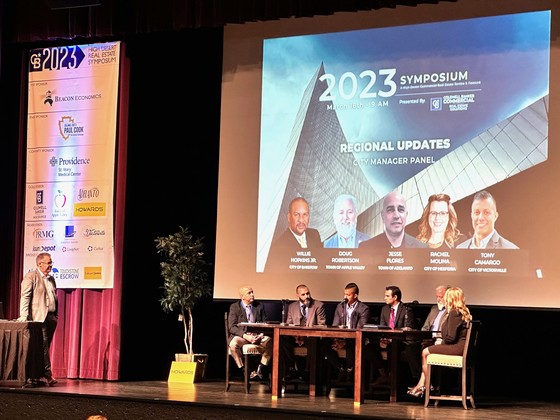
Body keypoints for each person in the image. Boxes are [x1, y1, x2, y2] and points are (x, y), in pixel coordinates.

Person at [407, 286, 472, 398]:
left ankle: (428, 385)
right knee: (426, 352)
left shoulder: (454, 313)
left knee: (425, 352)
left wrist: (442, 341)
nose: (443, 300)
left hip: (456, 347)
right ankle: (423, 384)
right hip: (459, 346)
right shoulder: (460, 311)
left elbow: (450, 338)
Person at [17, 252, 58, 387]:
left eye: (51, 262)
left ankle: (39, 375)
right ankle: (47, 375)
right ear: (40, 264)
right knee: (43, 346)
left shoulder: (51, 279)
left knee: (44, 347)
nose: (51, 265)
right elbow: (25, 297)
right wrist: (24, 315)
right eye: (49, 262)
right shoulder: (31, 277)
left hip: (51, 318)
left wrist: (55, 316)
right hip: (39, 318)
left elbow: (53, 297)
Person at [403, 284, 451, 387]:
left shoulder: (451, 311)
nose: (438, 299)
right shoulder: (434, 309)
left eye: (441, 297)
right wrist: (423, 337)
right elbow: (425, 328)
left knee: (426, 350)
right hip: (427, 340)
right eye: (437, 297)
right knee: (410, 348)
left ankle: (424, 383)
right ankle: (420, 378)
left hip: (440, 341)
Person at [370, 285, 415, 386]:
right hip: (386, 339)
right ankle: (383, 374)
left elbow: (408, 328)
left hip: (399, 341)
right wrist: (383, 339)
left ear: (395, 297)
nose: (384, 298)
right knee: (369, 347)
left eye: (387, 296)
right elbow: (382, 327)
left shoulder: (406, 309)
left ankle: (392, 377)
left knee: (392, 346)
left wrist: (391, 339)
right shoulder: (384, 309)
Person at [324, 282, 370, 380]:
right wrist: (337, 340)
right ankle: (340, 368)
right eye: (344, 294)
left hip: (355, 339)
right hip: (341, 338)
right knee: (324, 344)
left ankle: (350, 371)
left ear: (356, 295)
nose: (345, 297)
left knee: (351, 345)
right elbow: (335, 325)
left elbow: (359, 329)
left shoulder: (363, 309)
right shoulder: (340, 306)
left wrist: (344, 342)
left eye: (348, 295)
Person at [228, 286, 273, 380]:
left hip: (257, 336)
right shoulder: (235, 307)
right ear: (242, 297)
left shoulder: (259, 306)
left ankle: (260, 368)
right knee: (233, 344)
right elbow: (232, 327)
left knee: (271, 342)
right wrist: (245, 336)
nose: (252, 294)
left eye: (252, 292)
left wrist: (260, 334)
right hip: (243, 336)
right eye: (249, 293)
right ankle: (244, 369)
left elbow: (265, 324)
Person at [282, 284, 326, 379]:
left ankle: (308, 371)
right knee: (284, 341)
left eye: (308, 293)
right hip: (295, 337)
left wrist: (305, 336)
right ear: (297, 295)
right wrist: (296, 336)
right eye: (303, 294)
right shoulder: (292, 306)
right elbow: (289, 325)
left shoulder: (318, 305)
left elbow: (321, 325)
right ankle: (291, 369)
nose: (307, 296)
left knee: (314, 341)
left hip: (311, 337)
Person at [266, 197, 322, 270]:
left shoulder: (315, 234)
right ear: (289, 217)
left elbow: (320, 266)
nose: (301, 220)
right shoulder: (278, 247)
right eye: (296, 214)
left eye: (305, 214)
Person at [359, 191, 427, 250]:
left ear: (406, 215)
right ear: (383, 216)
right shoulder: (365, 248)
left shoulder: (421, 248)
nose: (396, 216)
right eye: (390, 210)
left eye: (401, 210)